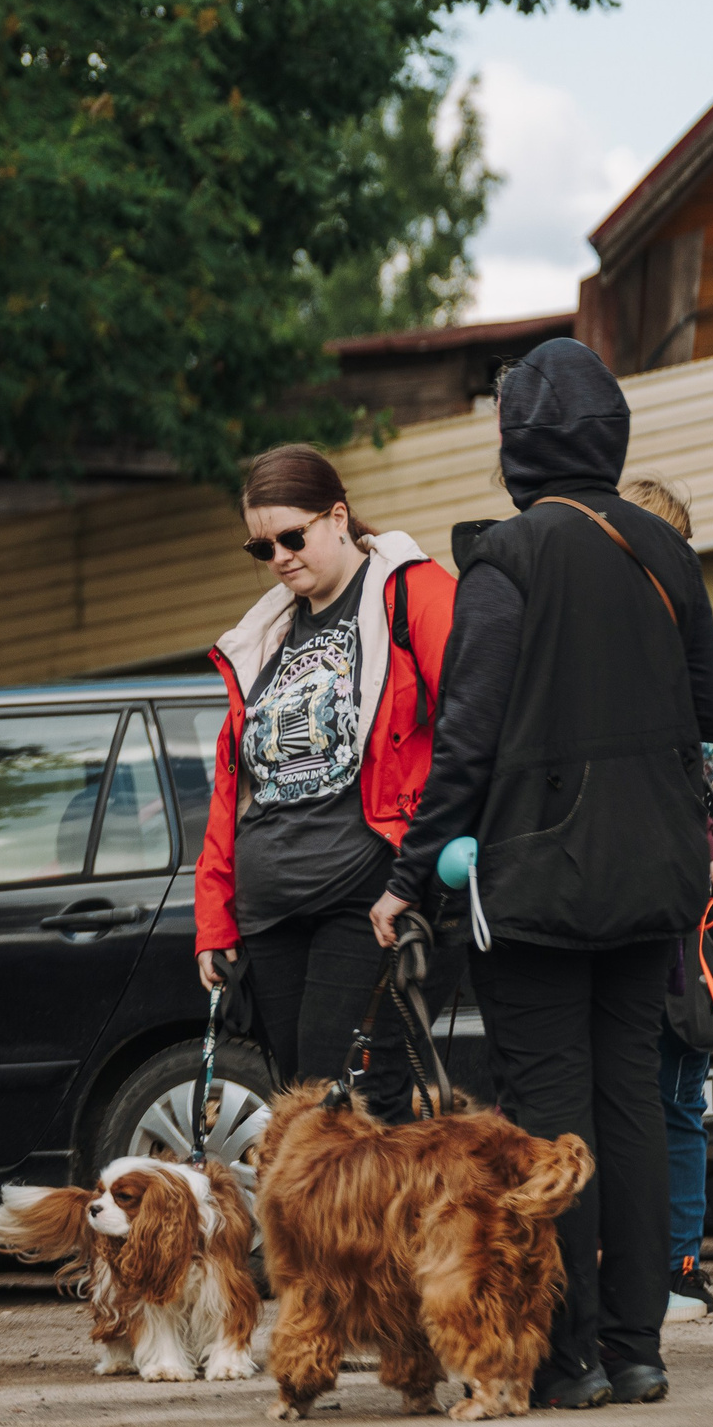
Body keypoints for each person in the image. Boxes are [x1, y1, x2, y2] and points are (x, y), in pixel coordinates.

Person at [373, 339, 713, 1411]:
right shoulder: (662, 551)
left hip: (537, 882)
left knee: (548, 1120)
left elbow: (468, 734)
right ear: (610, 434)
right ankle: (638, 1349)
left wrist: (409, 877)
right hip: (651, 874)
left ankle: (567, 1355)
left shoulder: (510, 557)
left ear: (517, 446)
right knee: (630, 1104)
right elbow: (703, 715)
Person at [196, 445, 458, 1118]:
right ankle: (329, 1230)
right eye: (262, 548)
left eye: (293, 536)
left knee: (342, 1100)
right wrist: (213, 921)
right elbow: (234, 789)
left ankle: (378, 1230)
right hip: (269, 908)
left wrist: (418, 870)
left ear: (337, 516)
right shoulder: (263, 636)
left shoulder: (408, 592)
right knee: (299, 1109)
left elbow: (475, 720)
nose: (280, 557)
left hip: (362, 895)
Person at [618, 474, 713, 1325]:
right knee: (677, 1103)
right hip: (706, 924)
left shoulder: (659, 671)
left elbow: (698, 796)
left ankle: (664, 1270)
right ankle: (676, 1267)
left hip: (661, 915)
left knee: (649, 1100)